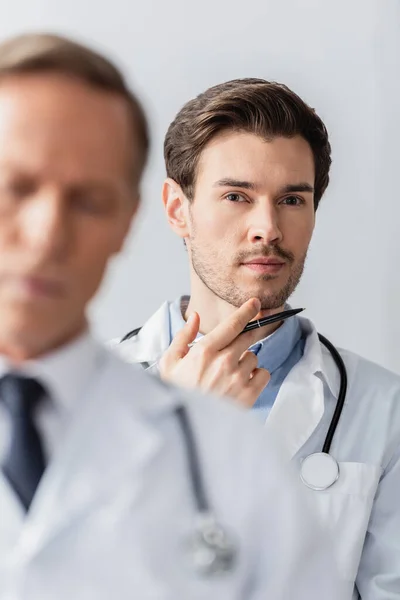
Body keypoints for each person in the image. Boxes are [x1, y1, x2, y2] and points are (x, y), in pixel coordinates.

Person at [0, 34, 341, 600]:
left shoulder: (239, 444)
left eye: (88, 200)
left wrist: (198, 433)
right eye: (14, 187)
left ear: (124, 221)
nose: (46, 236)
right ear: (173, 211)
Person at [117, 78, 400, 599]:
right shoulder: (76, 399)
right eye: (235, 196)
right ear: (179, 209)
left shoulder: (385, 411)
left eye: (292, 199)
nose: (267, 228)